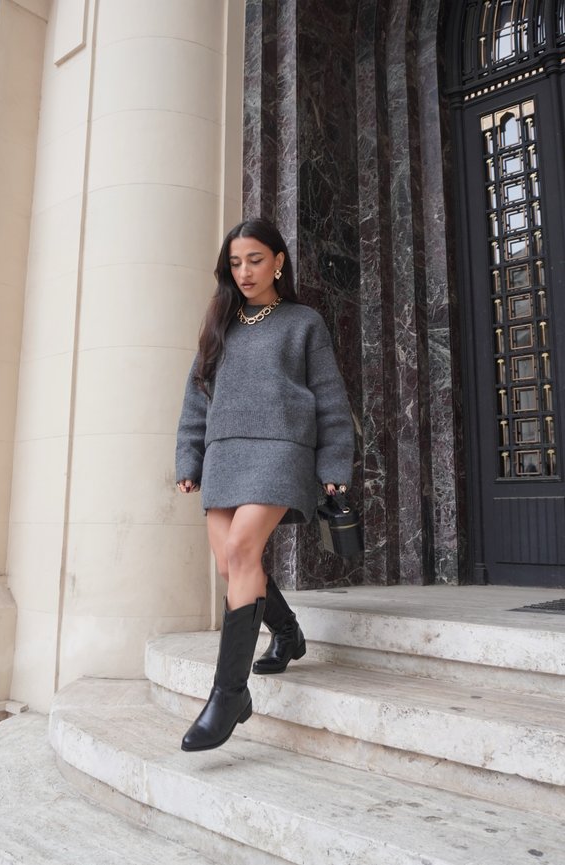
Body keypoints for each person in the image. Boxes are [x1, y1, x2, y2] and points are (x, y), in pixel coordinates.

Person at [175, 217, 354, 752]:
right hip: (226, 453)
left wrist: (334, 467)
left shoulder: (304, 323)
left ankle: (229, 695)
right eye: (235, 263)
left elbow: (330, 397)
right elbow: (196, 397)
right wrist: (189, 456)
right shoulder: (220, 324)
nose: (245, 271)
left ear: (279, 260)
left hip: (281, 452)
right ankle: (289, 633)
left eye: (255, 259)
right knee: (232, 567)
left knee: (241, 549)